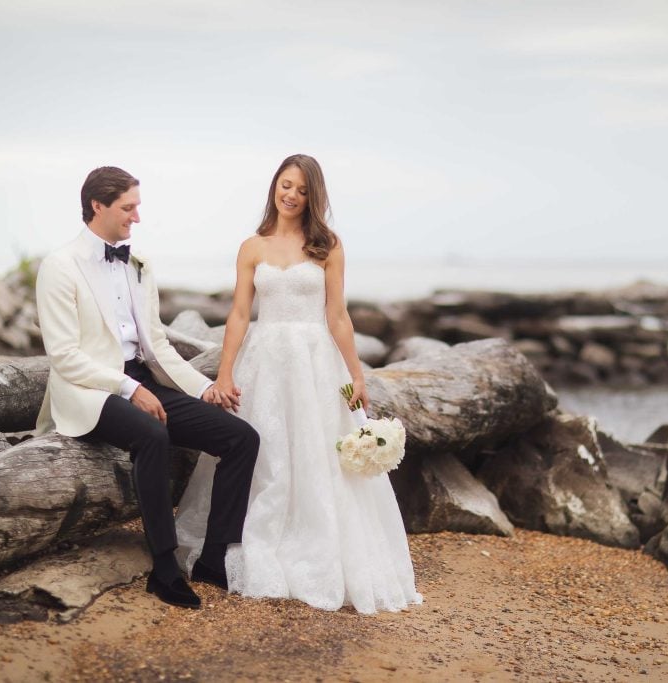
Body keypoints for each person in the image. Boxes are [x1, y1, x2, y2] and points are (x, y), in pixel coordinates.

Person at [175, 154, 421, 614]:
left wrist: (356, 375)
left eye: (302, 190)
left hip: (316, 364)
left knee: (318, 454)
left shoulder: (327, 245)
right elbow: (241, 314)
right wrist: (225, 372)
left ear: (314, 196)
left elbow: (338, 316)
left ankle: (318, 545)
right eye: (285, 185)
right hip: (263, 362)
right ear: (274, 186)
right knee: (262, 450)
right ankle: (239, 542)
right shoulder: (252, 246)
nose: (291, 195)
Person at [35, 166, 260, 610]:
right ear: (97, 206)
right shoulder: (59, 266)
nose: (137, 216)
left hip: (141, 379)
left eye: (137, 206)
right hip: (88, 389)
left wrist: (203, 389)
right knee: (151, 433)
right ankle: (164, 567)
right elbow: (63, 356)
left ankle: (214, 559)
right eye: (128, 207)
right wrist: (126, 389)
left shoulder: (140, 264)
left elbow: (155, 345)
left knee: (241, 438)